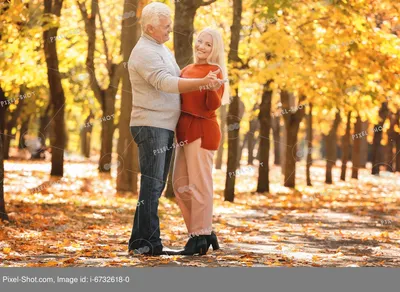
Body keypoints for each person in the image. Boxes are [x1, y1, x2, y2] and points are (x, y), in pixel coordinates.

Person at [127, 2, 222, 256]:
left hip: (167, 127)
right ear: (149, 27)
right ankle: (149, 243)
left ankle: (140, 241)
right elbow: (165, 82)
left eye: (169, 23)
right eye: (165, 25)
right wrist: (203, 82)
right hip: (151, 125)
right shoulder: (145, 52)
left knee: (154, 185)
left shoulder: (160, 48)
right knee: (153, 185)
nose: (171, 28)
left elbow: (181, 78)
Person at [173, 27, 230, 255]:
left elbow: (212, 105)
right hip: (183, 132)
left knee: (200, 185)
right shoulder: (186, 69)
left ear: (214, 49)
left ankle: (199, 234)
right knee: (180, 186)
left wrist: (212, 87)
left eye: (208, 44)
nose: (202, 47)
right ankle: (203, 232)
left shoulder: (215, 70)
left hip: (202, 130)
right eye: (199, 42)